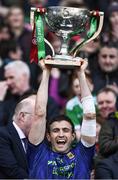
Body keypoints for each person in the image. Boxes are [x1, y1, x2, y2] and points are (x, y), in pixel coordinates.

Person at [28, 57, 96, 179]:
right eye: (55, 130)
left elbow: (90, 115)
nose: (60, 134)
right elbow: (39, 113)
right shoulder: (39, 153)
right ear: (48, 136)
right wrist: (46, 72)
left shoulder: (83, 154)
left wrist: (81, 73)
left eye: (65, 130)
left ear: (73, 136)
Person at [0, 94, 36, 178]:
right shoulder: (2, 135)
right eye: (38, 117)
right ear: (22, 116)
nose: (42, 123)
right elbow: (12, 169)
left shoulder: (35, 139)